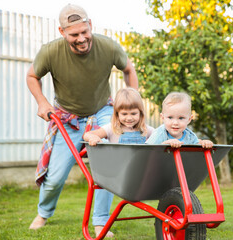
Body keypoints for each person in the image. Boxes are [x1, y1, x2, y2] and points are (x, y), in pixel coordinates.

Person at [26, 4, 138, 238]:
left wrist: (133, 97)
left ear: (90, 25)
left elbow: (128, 68)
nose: (81, 38)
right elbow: (32, 75)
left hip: (102, 112)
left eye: (84, 31)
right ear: (62, 32)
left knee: (105, 165)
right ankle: (43, 213)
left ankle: (100, 222)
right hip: (69, 118)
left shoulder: (107, 46)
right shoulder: (50, 52)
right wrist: (42, 102)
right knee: (55, 176)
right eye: (74, 34)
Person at [83, 87, 154, 146]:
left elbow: (161, 135)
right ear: (117, 114)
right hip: (117, 162)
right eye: (124, 114)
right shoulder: (112, 128)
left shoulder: (145, 129)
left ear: (140, 113)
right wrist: (93, 137)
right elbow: (86, 135)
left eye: (133, 114)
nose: (129, 118)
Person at [146, 92, 213, 148]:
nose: (175, 123)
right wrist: (165, 144)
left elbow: (196, 149)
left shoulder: (190, 136)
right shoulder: (159, 134)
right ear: (163, 117)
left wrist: (204, 144)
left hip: (182, 163)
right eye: (170, 117)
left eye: (181, 118)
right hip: (160, 163)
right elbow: (146, 151)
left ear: (189, 119)